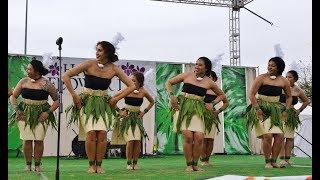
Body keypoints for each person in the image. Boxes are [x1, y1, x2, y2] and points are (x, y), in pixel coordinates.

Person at [63, 41, 135, 174]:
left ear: (107, 53)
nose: (97, 52)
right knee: (91, 133)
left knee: (102, 134)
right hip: (87, 103)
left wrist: (115, 98)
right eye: (96, 50)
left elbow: (132, 85)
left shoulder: (114, 69)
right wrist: (74, 95)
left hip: (103, 104)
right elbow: (66, 75)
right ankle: (91, 165)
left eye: (100, 50)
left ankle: (99, 164)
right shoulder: (89, 64)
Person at [165, 57, 226, 171]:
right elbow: (169, 82)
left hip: (198, 109)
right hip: (184, 108)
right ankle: (189, 165)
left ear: (206, 68)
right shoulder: (187, 75)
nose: (197, 66)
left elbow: (222, 96)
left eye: (200, 65)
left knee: (199, 138)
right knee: (188, 136)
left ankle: (195, 164)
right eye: (196, 64)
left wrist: (212, 103)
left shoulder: (209, 82)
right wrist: (172, 96)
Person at [9, 58, 59, 173]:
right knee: (27, 139)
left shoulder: (46, 84)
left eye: (29, 69)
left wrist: (47, 112)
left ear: (37, 71)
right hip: (24, 113)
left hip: (41, 113)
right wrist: (17, 109)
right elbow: (13, 96)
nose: (27, 70)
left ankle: (37, 165)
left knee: (38, 140)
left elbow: (56, 101)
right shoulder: (23, 81)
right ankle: (28, 165)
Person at [245, 57, 292, 168]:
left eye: (273, 65)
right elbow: (251, 94)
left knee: (280, 135)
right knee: (268, 135)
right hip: (262, 109)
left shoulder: (283, 81)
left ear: (279, 68)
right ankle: (267, 161)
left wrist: (286, 110)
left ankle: (274, 161)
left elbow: (289, 97)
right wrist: (257, 109)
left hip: (276, 110)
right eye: (269, 64)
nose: (270, 67)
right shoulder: (261, 78)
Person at [114, 71, 155, 170]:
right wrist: (120, 112)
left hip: (137, 118)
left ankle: (135, 163)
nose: (131, 82)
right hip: (127, 118)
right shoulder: (127, 90)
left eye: (134, 81)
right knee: (130, 141)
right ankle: (128, 163)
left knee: (137, 141)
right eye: (130, 80)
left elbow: (152, 101)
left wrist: (144, 112)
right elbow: (113, 100)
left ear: (139, 82)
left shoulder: (143, 91)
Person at [278, 70, 311, 167]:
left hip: (291, 115)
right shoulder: (281, 87)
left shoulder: (298, 90)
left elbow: (306, 101)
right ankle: (281, 159)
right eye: (286, 76)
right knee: (280, 137)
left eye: (290, 77)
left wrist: (299, 110)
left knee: (289, 138)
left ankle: (287, 159)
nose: (287, 78)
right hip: (280, 113)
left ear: (295, 79)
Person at [200, 71, 229, 166]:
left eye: (210, 77)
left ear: (215, 79)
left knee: (210, 139)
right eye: (206, 77)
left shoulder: (217, 90)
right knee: (203, 139)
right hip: (200, 115)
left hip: (212, 116)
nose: (208, 79)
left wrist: (218, 111)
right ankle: (202, 158)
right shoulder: (200, 88)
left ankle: (207, 160)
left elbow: (226, 103)